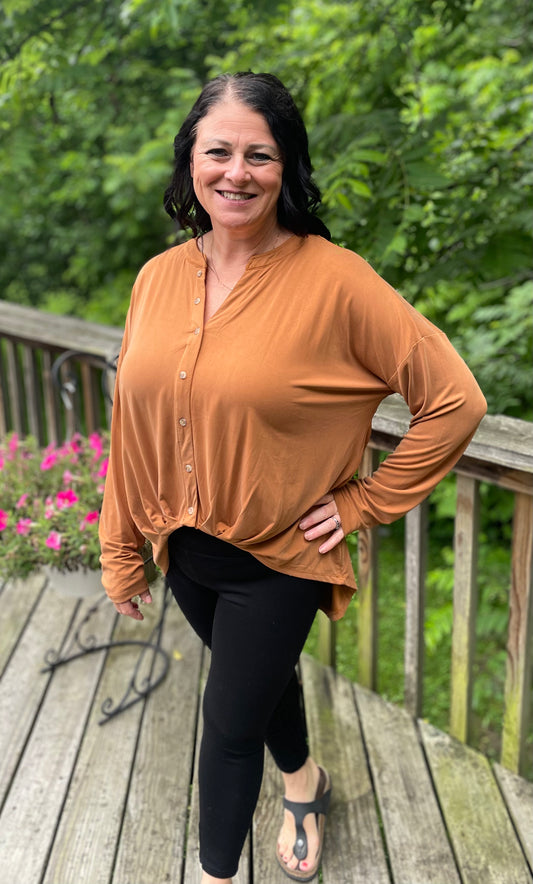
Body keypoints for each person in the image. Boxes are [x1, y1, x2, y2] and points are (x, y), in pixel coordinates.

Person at [99, 72, 487, 884]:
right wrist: (122, 544)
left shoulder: (335, 279)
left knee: (230, 722)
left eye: (259, 155)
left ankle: (214, 872)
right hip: (187, 552)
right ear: (190, 162)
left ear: (286, 168)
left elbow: (454, 401)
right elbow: (131, 424)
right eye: (218, 152)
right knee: (261, 683)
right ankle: (305, 783)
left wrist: (364, 501)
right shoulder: (156, 277)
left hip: (280, 557)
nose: (236, 172)